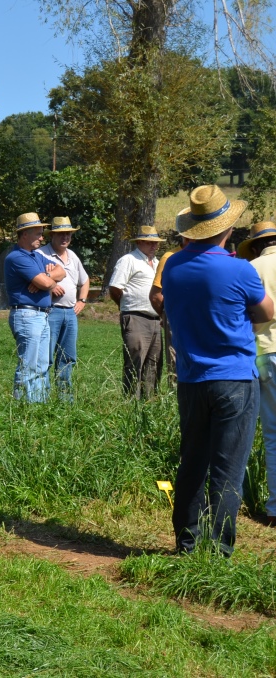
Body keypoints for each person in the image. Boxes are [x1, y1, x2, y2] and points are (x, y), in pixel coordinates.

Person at [163, 185, 273, 555]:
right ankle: (220, 550)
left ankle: (187, 543)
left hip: (192, 378)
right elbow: (268, 312)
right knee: (228, 469)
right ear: (227, 229)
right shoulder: (239, 269)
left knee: (192, 461)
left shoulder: (174, 265)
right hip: (236, 378)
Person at [3, 212, 66, 402]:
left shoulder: (35, 256)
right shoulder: (16, 257)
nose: (41, 238)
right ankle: (23, 405)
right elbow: (46, 285)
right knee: (29, 364)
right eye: (37, 234)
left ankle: (39, 404)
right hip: (27, 315)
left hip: (41, 315)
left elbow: (61, 270)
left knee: (42, 364)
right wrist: (46, 280)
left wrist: (46, 278)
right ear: (24, 234)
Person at [240, 220, 276, 528]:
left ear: (255, 245)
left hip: (265, 350)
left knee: (273, 434)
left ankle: (275, 508)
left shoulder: (252, 268)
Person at [37, 216, 90, 399]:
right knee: (47, 356)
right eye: (60, 234)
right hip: (50, 310)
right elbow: (36, 279)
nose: (65, 237)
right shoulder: (41, 254)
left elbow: (85, 281)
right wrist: (51, 284)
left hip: (69, 312)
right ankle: (42, 396)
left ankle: (65, 398)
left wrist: (82, 300)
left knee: (68, 356)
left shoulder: (73, 256)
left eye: (67, 234)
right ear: (52, 235)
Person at [108, 226, 163, 398]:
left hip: (156, 319)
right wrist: (126, 305)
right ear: (139, 242)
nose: (153, 246)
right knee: (135, 361)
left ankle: (149, 403)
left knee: (154, 363)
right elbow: (115, 288)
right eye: (149, 242)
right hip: (136, 316)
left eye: (156, 243)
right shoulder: (128, 260)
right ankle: (131, 403)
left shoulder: (157, 262)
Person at [149, 232, 190, 386]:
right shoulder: (170, 257)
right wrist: (168, 316)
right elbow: (156, 295)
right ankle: (176, 400)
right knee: (176, 361)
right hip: (178, 316)